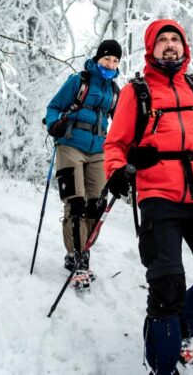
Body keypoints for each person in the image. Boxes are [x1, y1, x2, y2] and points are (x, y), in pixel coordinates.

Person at [104, 20, 193, 374]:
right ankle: (162, 366)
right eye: (161, 40)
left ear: (184, 47)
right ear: (151, 48)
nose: (169, 45)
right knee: (166, 287)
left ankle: (184, 322)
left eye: (174, 39)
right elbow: (115, 143)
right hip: (158, 195)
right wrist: (117, 169)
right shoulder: (137, 92)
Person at [43, 39, 121, 280]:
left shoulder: (114, 91)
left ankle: (84, 250)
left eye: (115, 60)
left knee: (97, 206)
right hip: (70, 144)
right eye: (106, 58)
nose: (110, 64)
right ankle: (77, 257)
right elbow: (54, 106)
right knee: (75, 202)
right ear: (98, 58)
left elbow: (122, 122)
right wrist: (53, 124)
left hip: (99, 150)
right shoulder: (79, 81)